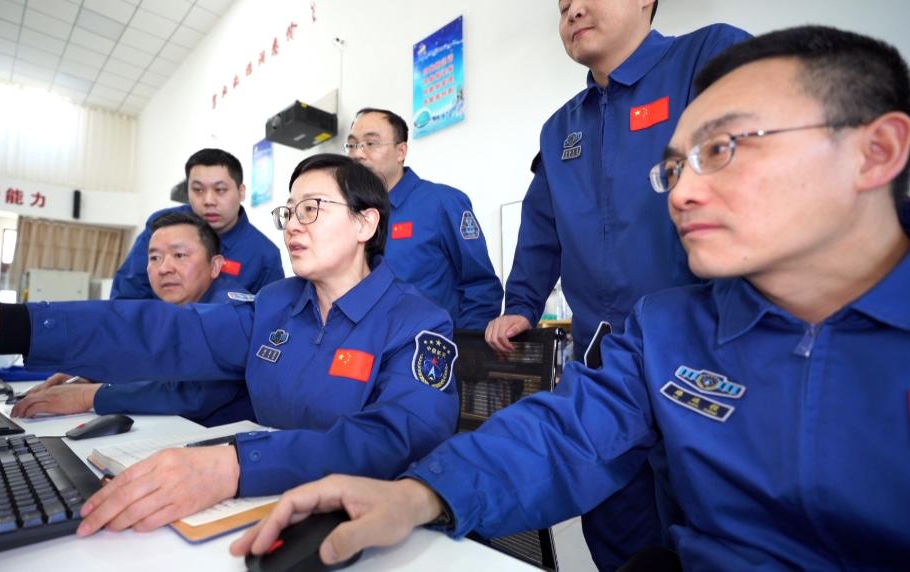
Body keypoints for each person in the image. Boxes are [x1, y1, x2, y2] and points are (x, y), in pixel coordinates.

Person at [233, 25, 910, 569]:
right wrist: (420, 494)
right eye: (674, 166)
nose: (680, 192)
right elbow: (561, 434)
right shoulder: (667, 329)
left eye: (723, 148)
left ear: (876, 150)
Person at [0, 154, 458, 536]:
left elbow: (393, 440)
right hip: (262, 507)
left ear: (365, 224)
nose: (292, 225)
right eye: (289, 211)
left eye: (312, 209)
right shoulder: (277, 304)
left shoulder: (417, 323)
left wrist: (234, 466)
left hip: (371, 529)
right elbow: (160, 332)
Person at [482, 2, 750, 567]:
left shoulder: (706, 56)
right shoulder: (561, 129)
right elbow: (541, 226)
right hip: (602, 367)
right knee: (618, 531)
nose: (573, 9)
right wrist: (522, 303)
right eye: (561, 5)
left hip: (707, 360)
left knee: (713, 532)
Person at [11, 211, 254, 427]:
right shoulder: (181, 307)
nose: (164, 268)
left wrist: (87, 395)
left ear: (215, 265)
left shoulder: (229, 313)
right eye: (154, 257)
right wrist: (95, 373)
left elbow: (193, 394)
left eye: (179, 255)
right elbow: (156, 361)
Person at [346, 108, 503, 330]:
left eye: (370, 143)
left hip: (428, 347)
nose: (357, 154)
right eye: (352, 145)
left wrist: (460, 345)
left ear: (401, 151)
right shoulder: (349, 214)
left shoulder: (442, 203)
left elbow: (482, 287)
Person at [111, 148, 284, 299]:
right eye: (198, 190)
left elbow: (270, 317)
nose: (208, 200)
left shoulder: (264, 256)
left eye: (220, 190)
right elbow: (127, 296)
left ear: (241, 192)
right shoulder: (161, 228)